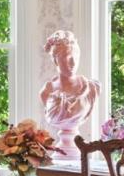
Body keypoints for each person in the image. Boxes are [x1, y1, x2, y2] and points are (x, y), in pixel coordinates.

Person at [39, 30, 100, 158]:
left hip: (76, 155)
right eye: (67, 58)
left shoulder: (91, 88)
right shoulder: (47, 91)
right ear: (56, 60)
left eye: (75, 57)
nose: (73, 63)